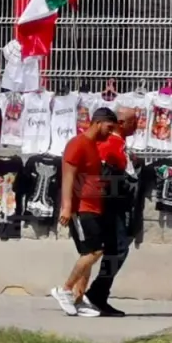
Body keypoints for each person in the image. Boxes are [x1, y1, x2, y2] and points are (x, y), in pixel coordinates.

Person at [52, 107, 118, 317]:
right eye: (109, 127)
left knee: (87, 253)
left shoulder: (93, 146)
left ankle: (79, 300)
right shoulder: (78, 143)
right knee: (95, 251)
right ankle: (65, 290)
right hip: (81, 209)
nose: (110, 131)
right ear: (98, 122)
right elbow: (68, 176)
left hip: (93, 207)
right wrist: (67, 206)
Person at [86, 106, 140, 317]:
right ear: (122, 123)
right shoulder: (110, 145)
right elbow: (104, 174)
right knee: (116, 250)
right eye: (134, 121)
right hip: (110, 205)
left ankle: (97, 294)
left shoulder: (119, 144)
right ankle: (95, 294)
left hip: (117, 204)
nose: (137, 124)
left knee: (117, 249)